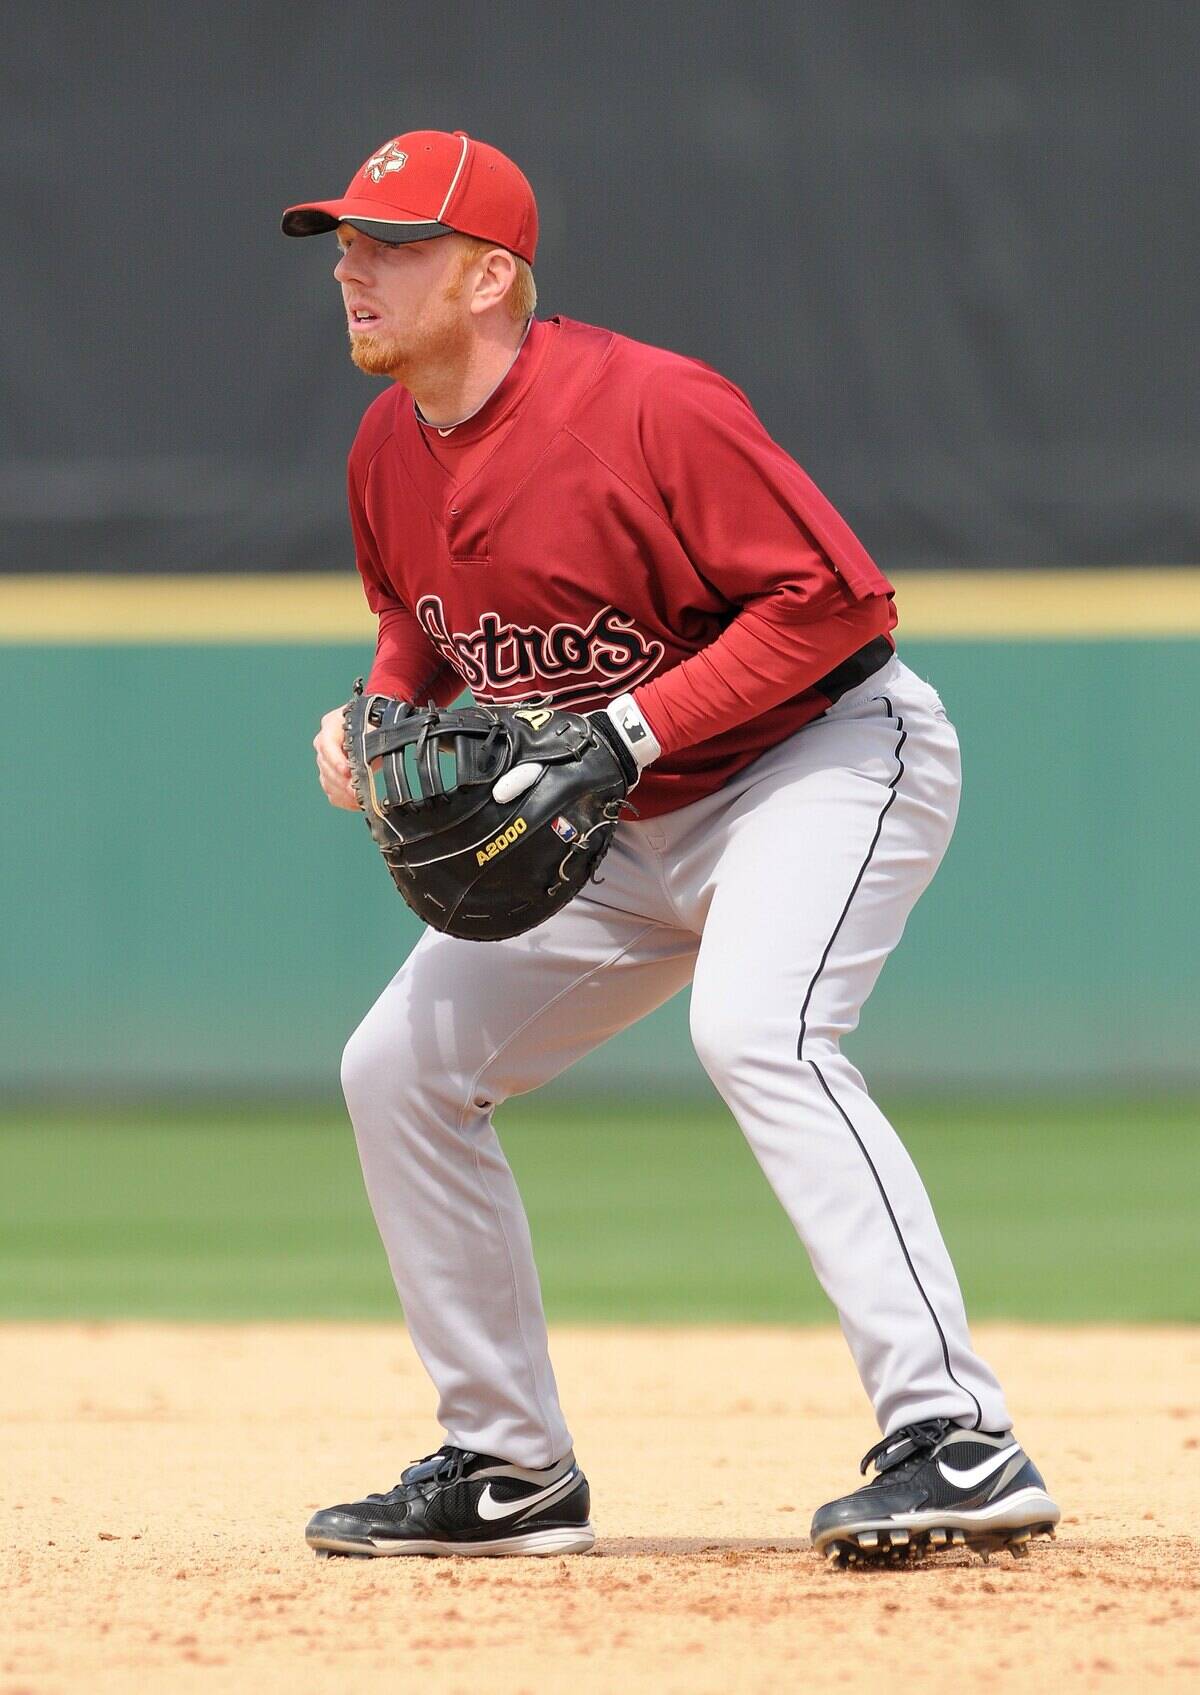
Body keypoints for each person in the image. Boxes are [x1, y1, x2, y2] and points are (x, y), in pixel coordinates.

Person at [283, 129, 1059, 1564]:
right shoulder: (389, 445)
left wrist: (626, 732)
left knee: (759, 1029)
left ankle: (956, 1437)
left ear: (491, 278)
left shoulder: (648, 407)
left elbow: (836, 605)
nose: (352, 267)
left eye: (390, 244)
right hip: (615, 819)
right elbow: (418, 618)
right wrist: (378, 712)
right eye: (345, 241)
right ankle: (509, 1469)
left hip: (817, 762)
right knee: (398, 1067)